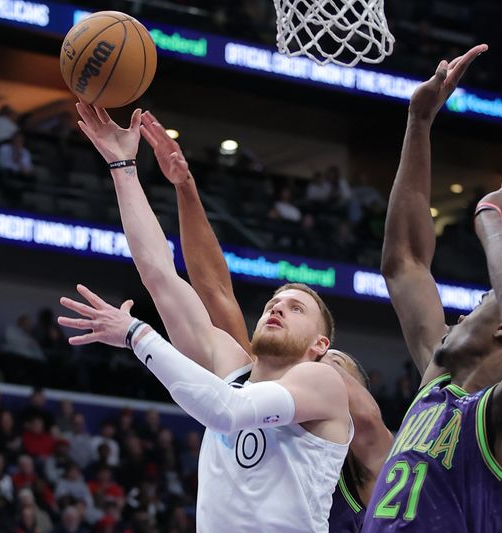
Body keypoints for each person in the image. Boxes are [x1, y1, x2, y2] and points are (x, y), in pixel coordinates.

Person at [59, 102, 352, 532]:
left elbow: (227, 412)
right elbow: (158, 273)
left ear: (320, 345)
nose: (277, 308)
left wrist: (136, 335)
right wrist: (122, 165)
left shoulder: (322, 381)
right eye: (275, 302)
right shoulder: (231, 367)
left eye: (296, 308)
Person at [363, 45, 502, 532]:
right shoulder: (438, 378)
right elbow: (403, 262)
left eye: (482, 302)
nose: (461, 317)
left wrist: (490, 219)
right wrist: (419, 122)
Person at [138, 111, 394, 532]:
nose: (312, 375)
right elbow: (214, 289)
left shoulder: (372, 454)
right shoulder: (265, 386)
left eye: (330, 369)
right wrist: (186, 189)